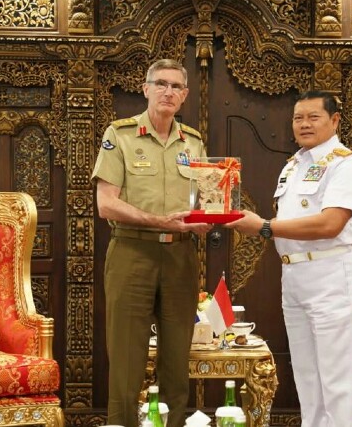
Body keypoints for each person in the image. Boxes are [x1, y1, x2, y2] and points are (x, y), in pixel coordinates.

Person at [225, 90, 352, 427]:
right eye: (298, 118)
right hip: (295, 277)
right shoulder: (293, 165)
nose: (304, 124)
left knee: (336, 380)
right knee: (307, 377)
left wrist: (264, 227)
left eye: (313, 117)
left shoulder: (346, 165)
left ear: (334, 120)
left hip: (331, 275)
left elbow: (330, 224)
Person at [91, 59, 213, 427]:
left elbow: (208, 200)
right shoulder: (121, 135)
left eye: (176, 86)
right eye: (161, 84)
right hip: (132, 253)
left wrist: (208, 218)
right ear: (146, 89)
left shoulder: (193, 141)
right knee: (126, 360)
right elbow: (106, 204)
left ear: (184, 95)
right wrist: (159, 221)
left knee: (176, 361)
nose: (168, 92)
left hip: (180, 256)